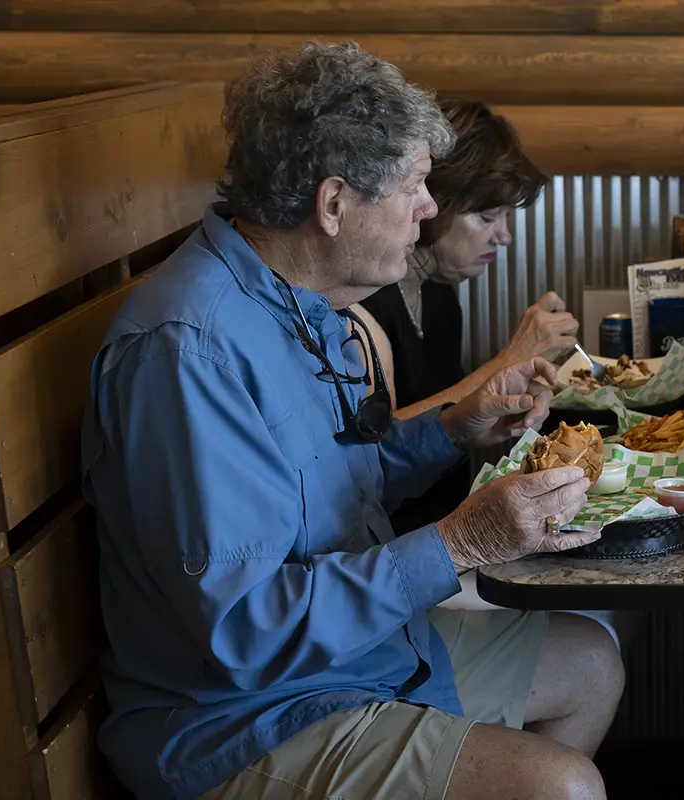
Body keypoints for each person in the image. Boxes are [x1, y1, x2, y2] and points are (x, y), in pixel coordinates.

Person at [80, 42, 621, 800]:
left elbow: (328, 489)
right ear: (334, 205)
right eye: (415, 187)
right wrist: (463, 540)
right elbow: (244, 629)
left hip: (349, 658)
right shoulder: (187, 354)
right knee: (561, 787)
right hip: (239, 720)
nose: (431, 211)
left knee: (590, 663)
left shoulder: (294, 300)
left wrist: (452, 432)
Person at [349, 99, 578, 536]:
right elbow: (374, 458)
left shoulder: (438, 293)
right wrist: (512, 357)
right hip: (402, 549)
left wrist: (492, 419)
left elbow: (442, 424)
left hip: (454, 526)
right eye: (488, 216)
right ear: (433, 202)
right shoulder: (361, 310)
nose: (505, 236)